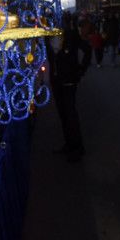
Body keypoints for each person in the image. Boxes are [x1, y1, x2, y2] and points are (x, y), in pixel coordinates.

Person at [48, 18, 90, 161]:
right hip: (56, 81)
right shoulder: (47, 36)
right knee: (63, 115)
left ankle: (78, 148)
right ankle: (69, 144)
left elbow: (87, 50)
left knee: (71, 114)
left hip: (69, 80)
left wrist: (81, 70)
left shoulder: (71, 34)